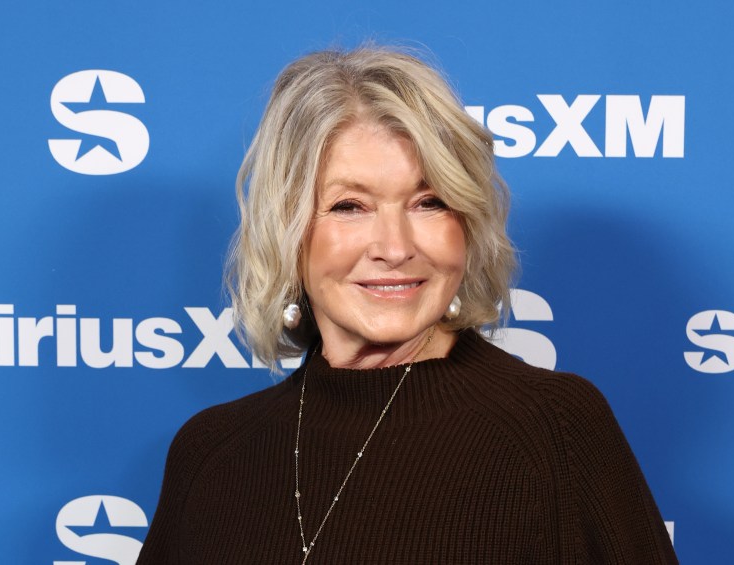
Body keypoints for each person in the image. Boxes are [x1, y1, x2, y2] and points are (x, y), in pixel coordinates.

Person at [137, 45, 677, 564]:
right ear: (288, 231)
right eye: (349, 206)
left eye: (429, 202)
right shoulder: (210, 452)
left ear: (466, 224)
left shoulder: (556, 430)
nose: (395, 248)